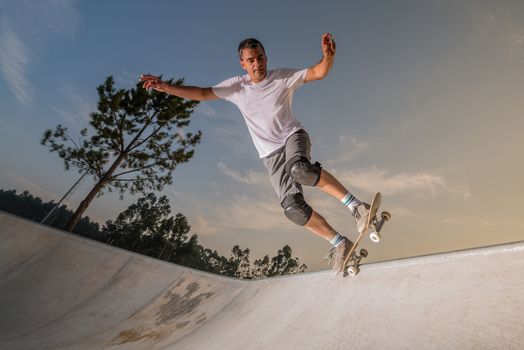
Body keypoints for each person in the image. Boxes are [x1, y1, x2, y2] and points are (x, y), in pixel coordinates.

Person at [140, 33, 372, 274]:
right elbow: (201, 93)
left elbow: (318, 72)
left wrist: (328, 57)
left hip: (292, 136)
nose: (257, 64)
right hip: (270, 156)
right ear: (243, 64)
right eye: (251, 60)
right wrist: (166, 87)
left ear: (266, 57)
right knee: (293, 208)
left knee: (300, 169)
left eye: (260, 58)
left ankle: (357, 207)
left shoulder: (282, 77)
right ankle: (339, 243)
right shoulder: (236, 87)